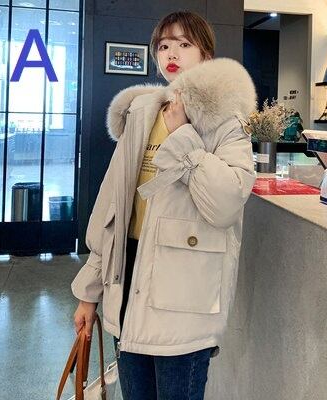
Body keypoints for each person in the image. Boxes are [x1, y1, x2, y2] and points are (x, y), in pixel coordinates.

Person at [72, 10, 257, 400]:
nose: (172, 53)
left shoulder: (225, 120)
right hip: (128, 290)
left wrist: (184, 135)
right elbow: (111, 210)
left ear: (206, 56)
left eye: (184, 44)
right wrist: (89, 293)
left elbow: (226, 204)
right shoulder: (141, 113)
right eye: (164, 45)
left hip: (183, 303)